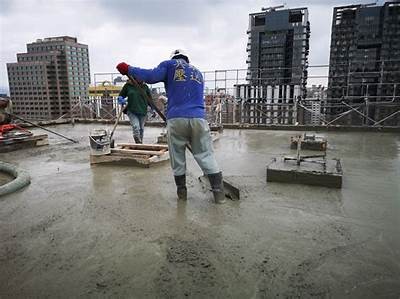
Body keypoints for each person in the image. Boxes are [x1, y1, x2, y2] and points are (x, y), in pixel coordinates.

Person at [116, 49, 226, 204]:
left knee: (177, 157)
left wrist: (129, 69)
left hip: (177, 119)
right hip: (199, 119)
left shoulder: (169, 65)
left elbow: (151, 76)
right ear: (186, 59)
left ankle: (182, 195)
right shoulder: (198, 73)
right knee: (206, 155)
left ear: (174, 58)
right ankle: (219, 195)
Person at [117, 78, 151, 144]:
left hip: (143, 110)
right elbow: (121, 95)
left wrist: (153, 108)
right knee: (136, 126)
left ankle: (140, 144)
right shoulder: (128, 86)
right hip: (131, 109)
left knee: (141, 129)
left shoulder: (145, 87)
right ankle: (137, 140)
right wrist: (121, 99)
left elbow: (150, 99)